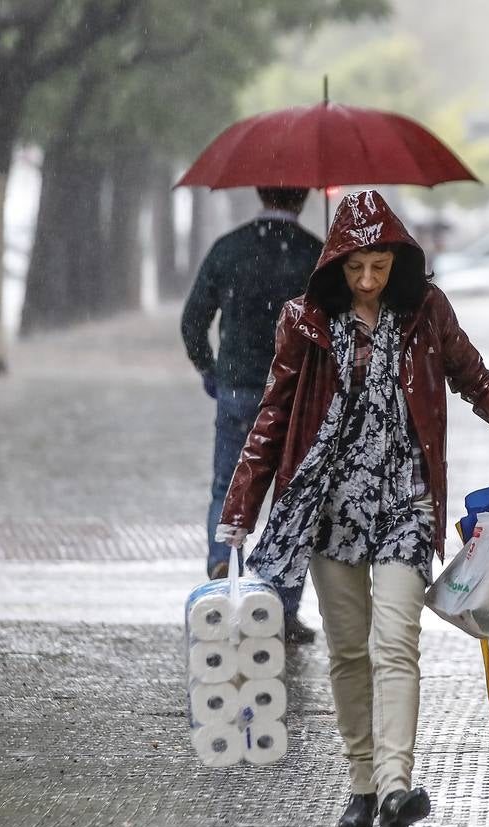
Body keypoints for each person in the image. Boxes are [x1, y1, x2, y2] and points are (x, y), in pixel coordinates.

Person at [215, 190, 489, 827]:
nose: (368, 281)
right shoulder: (304, 320)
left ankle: (398, 787)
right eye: (355, 268)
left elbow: (472, 374)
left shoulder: (425, 311)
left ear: (397, 259)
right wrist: (240, 507)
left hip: (405, 502)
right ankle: (362, 783)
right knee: (347, 651)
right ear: (336, 265)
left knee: (395, 643)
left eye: (379, 266)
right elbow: (273, 415)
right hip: (330, 507)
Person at [180, 186, 323, 644]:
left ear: (260, 193)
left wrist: (211, 369)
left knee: (228, 485)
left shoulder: (229, 247)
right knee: (291, 497)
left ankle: (222, 584)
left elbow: (192, 320)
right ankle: (279, 607)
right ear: (302, 200)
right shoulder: (315, 255)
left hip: (238, 389)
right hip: (295, 395)